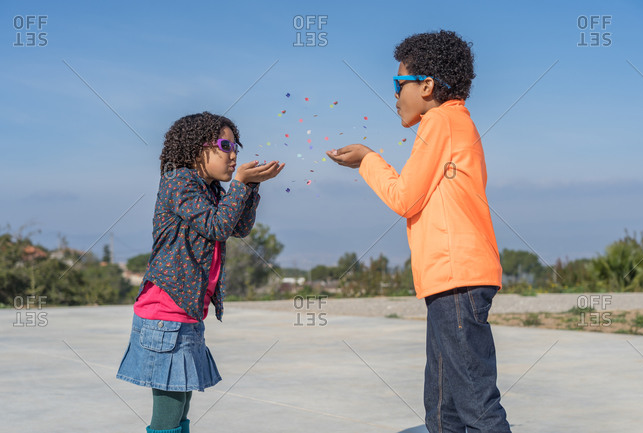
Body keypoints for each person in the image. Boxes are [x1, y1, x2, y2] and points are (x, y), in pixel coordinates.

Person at [327, 30, 511, 433]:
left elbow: (404, 198)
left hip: (457, 276)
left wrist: (368, 160)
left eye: (398, 84)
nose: (395, 97)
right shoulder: (455, 122)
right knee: (443, 406)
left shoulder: (440, 121)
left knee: (476, 402)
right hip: (449, 281)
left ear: (426, 86)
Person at [117, 112, 284, 433]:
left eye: (236, 147)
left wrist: (250, 188)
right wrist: (239, 185)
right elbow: (216, 226)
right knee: (169, 413)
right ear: (196, 148)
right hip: (165, 314)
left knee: (181, 407)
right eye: (225, 146)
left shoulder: (211, 191)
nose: (234, 155)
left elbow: (240, 228)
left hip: (186, 313)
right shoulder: (178, 181)